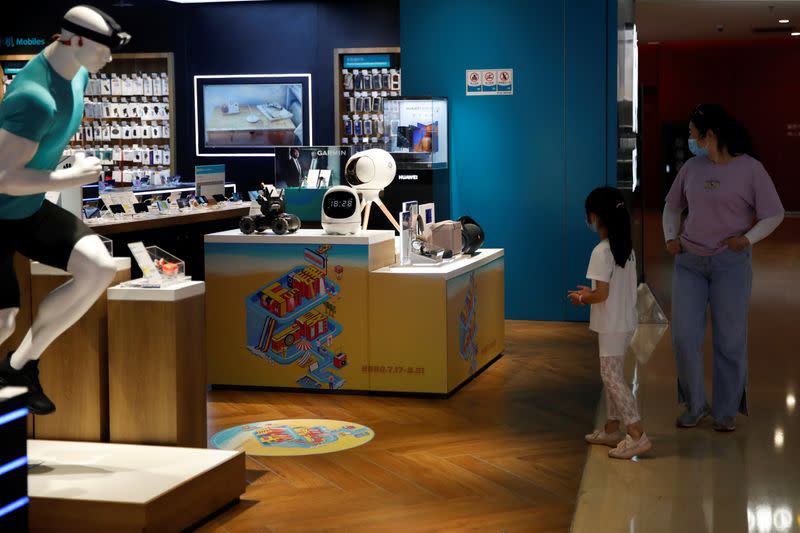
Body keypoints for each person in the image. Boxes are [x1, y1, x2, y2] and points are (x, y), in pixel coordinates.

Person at [0, 6, 130, 414]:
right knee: (3, 320)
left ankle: (19, 367)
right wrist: (71, 179)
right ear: (72, 41)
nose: (109, 58)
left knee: (98, 267)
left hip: (28, 208)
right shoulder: (33, 98)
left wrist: (61, 162)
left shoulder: (78, 74)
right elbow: (3, 177)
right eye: (103, 49)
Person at [664, 104, 784, 432]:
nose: (689, 139)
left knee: (729, 339)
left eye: (692, 133)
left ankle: (726, 410)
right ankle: (695, 404)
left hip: (730, 265)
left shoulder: (751, 169)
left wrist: (747, 240)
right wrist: (670, 237)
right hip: (689, 262)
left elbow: (774, 214)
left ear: (710, 135)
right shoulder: (691, 168)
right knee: (684, 336)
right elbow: (672, 207)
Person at [569, 186, 651, 460]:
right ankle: (612, 429)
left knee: (611, 377)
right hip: (625, 321)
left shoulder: (601, 251)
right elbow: (611, 289)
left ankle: (637, 434)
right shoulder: (625, 250)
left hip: (611, 324)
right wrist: (590, 293)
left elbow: (601, 294)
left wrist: (583, 297)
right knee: (614, 376)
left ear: (595, 216)